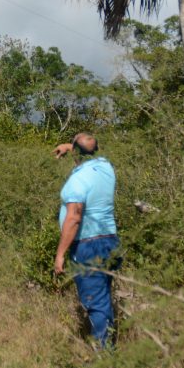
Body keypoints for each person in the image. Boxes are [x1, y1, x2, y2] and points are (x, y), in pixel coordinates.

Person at [52, 132, 119, 348]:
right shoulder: (106, 167)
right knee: (103, 296)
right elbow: (89, 149)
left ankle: (104, 355)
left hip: (87, 245)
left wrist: (60, 254)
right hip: (110, 241)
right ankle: (107, 344)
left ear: (77, 154)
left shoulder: (78, 180)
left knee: (95, 303)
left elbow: (74, 218)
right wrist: (71, 146)